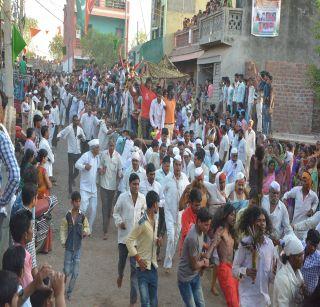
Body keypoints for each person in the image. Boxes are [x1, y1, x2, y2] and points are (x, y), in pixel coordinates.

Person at [113, 173, 146, 307]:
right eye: (134, 184)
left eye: (138, 184)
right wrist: (119, 222)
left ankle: (132, 302)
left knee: (134, 271)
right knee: (121, 263)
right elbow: (115, 212)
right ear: (129, 184)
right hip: (123, 238)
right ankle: (120, 275)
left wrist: (142, 225)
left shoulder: (142, 198)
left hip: (136, 241)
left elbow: (144, 214)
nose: (136, 186)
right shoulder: (122, 197)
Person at [233, 206, 275, 307]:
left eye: (264, 221)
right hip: (247, 300)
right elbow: (234, 270)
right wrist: (245, 271)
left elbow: (270, 277)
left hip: (263, 300)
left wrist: (274, 272)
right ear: (252, 223)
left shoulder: (270, 245)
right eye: (259, 220)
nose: (262, 224)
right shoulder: (244, 244)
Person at [126, 191, 162, 307]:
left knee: (154, 302)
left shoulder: (155, 220)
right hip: (142, 269)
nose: (159, 206)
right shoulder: (142, 222)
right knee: (145, 303)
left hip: (153, 267)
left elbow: (151, 237)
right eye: (158, 203)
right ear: (155, 204)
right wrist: (138, 259)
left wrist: (157, 240)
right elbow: (129, 241)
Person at [177, 208, 211, 307]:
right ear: (199, 222)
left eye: (209, 224)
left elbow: (197, 253)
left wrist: (204, 254)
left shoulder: (198, 229)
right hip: (185, 279)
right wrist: (205, 262)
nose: (208, 228)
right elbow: (194, 265)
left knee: (200, 304)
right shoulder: (193, 238)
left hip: (194, 277)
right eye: (206, 225)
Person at [60, 191, 90, 300]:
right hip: (68, 248)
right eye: (76, 201)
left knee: (75, 273)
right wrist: (63, 241)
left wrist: (86, 231)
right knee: (66, 271)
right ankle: (61, 291)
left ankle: (69, 293)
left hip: (78, 248)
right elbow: (63, 229)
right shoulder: (67, 216)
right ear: (72, 202)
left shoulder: (82, 216)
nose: (78, 203)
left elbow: (87, 227)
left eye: (79, 201)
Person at [162, 155, 189, 272]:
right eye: (176, 164)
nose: (178, 167)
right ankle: (167, 264)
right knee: (171, 237)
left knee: (176, 236)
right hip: (168, 212)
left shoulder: (185, 178)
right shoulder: (167, 179)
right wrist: (163, 204)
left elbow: (188, 192)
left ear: (182, 166)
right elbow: (161, 194)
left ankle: (170, 257)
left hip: (180, 213)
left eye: (180, 165)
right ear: (173, 166)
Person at [210, 204, 239, 307]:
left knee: (237, 301)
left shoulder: (231, 233)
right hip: (224, 269)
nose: (234, 217)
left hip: (233, 269)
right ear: (225, 215)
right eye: (231, 215)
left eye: (234, 215)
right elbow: (213, 245)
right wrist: (205, 258)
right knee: (233, 303)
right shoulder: (220, 230)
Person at [283, 171, 319, 238]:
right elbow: (287, 194)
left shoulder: (313, 195)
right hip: (295, 225)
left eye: (306, 181)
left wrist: (312, 210)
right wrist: (284, 200)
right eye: (303, 181)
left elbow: (316, 202)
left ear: (309, 182)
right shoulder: (297, 190)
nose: (304, 183)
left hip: (305, 229)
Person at [99, 140, 122, 240]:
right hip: (103, 185)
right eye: (110, 145)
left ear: (115, 146)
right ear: (108, 145)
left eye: (113, 146)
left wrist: (120, 175)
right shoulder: (103, 154)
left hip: (113, 187)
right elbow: (99, 165)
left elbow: (120, 170)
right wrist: (101, 170)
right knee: (104, 207)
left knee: (109, 209)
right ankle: (105, 231)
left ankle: (106, 225)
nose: (111, 147)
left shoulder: (118, 156)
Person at [75, 139, 100, 232]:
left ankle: (89, 228)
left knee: (93, 209)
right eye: (97, 148)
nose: (99, 149)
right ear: (93, 148)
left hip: (94, 188)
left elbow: (97, 168)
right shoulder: (86, 155)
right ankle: (78, 225)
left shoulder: (97, 158)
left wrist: (100, 170)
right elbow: (77, 164)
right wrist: (84, 166)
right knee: (83, 208)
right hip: (85, 187)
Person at [273, 234, 305, 307]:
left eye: (302, 255)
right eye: (299, 256)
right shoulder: (282, 279)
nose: (302, 259)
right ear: (291, 257)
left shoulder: (298, 273)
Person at [57, 115, 86, 194]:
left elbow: (84, 139)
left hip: (78, 152)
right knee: (70, 171)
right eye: (75, 120)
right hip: (70, 152)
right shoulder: (69, 128)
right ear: (72, 121)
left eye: (77, 120)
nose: (76, 122)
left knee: (77, 171)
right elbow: (62, 133)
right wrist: (58, 136)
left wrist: (81, 138)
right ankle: (70, 188)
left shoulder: (80, 129)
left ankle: (72, 179)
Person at [9, 210, 34, 288]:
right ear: (25, 235)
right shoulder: (25, 256)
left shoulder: (9, 251)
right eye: (31, 228)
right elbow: (28, 284)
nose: (33, 231)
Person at [179, 188, 202, 253]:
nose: (198, 208)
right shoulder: (185, 215)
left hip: (198, 248)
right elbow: (187, 236)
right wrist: (204, 245)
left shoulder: (201, 212)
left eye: (199, 205)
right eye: (196, 205)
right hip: (186, 250)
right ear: (190, 203)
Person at [301, 229, 320, 296]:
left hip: (310, 294)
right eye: (311, 244)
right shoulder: (300, 247)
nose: (313, 248)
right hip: (296, 289)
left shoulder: (318, 258)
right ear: (306, 241)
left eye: (315, 246)